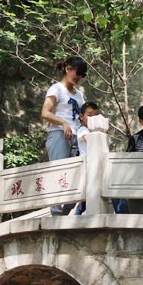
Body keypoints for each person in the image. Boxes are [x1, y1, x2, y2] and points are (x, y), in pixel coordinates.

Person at [41, 56, 87, 216]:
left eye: (82, 74)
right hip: (59, 134)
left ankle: (65, 213)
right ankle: (55, 214)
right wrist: (63, 123)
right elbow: (45, 113)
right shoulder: (57, 89)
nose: (79, 76)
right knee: (58, 172)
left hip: (76, 136)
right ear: (67, 69)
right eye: (77, 72)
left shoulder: (79, 95)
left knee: (76, 175)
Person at [74, 101, 100, 215]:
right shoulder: (83, 130)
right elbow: (89, 140)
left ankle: (77, 215)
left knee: (87, 198)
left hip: (96, 166)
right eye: (89, 116)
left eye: (96, 116)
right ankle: (76, 216)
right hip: (88, 167)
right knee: (85, 198)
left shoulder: (95, 131)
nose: (93, 119)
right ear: (81, 116)